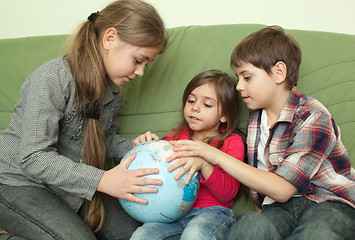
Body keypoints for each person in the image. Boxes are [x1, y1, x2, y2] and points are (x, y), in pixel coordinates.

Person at [167, 26, 355, 240]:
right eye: (238, 78)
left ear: (278, 73)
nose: (238, 86)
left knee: (316, 234)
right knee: (250, 228)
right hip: (279, 208)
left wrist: (216, 155)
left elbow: (282, 188)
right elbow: (264, 186)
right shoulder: (257, 117)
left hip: (329, 203)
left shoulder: (312, 116)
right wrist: (259, 218)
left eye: (246, 77)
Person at [0, 0, 167, 239]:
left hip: (68, 184)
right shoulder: (53, 78)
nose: (140, 72)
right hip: (15, 180)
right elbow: (33, 157)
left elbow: (102, 140)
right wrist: (102, 179)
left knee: (136, 234)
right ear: (110, 39)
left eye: (147, 65)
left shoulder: (113, 92)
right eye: (138, 60)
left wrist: (134, 148)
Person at [130, 70, 245, 240]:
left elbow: (228, 193)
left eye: (207, 105)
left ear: (224, 115)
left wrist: (205, 166)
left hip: (213, 214)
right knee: (143, 235)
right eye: (191, 101)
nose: (195, 107)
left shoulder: (231, 142)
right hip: (172, 216)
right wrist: (142, 149)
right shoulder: (173, 139)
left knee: (195, 234)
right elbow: (155, 172)